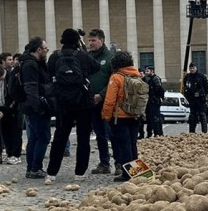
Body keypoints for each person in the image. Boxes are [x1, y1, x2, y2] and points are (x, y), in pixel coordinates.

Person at [46, 29, 99, 179]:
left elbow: (50, 75)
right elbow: (96, 67)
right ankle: (80, 173)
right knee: (83, 139)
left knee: (60, 137)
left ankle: (51, 172)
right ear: (77, 41)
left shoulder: (55, 56)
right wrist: (82, 49)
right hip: (83, 102)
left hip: (63, 103)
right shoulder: (82, 56)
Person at [102, 50, 142, 182]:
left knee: (124, 145)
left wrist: (106, 116)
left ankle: (127, 174)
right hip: (135, 115)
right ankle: (136, 172)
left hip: (120, 117)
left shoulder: (116, 77)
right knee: (132, 144)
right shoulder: (137, 76)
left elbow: (109, 100)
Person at [19, 37, 52, 179]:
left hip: (32, 106)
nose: (46, 51)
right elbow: (31, 87)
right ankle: (35, 168)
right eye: (45, 49)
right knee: (43, 137)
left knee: (34, 138)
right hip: (35, 107)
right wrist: (39, 107)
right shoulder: (31, 65)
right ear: (39, 50)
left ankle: (31, 168)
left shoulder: (30, 63)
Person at [86, 29, 114, 173]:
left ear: (101, 41)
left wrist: (101, 95)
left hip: (107, 101)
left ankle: (121, 164)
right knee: (100, 134)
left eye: (93, 40)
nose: (90, 43)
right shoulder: (87, 57)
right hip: (92, 102)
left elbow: (113, 80)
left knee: (113, 133)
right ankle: (104, 163)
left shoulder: (110, 57)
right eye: (89, 40)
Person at [182, 63, 208, 133]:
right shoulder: (187, 77)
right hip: (192, 100)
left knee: (202, 115)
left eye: (193, 68)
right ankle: (192, 132)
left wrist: (202, 95)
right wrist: (188, 97)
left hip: (200, 100)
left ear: (196, 68)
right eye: (190, 68)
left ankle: (204, 132)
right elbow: (185, 87)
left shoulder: (201, 76)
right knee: (192, 117)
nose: (192, 69)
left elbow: (206, 88)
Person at [142, 65, 165, 137]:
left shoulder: (156, 79)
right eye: (145, 71)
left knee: (156, 119)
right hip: (150, 102)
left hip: (155, 102)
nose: (146, 72)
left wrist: (158, 98)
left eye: (147, 71)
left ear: (152, 71)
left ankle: (158, 133)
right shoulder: (149, 79)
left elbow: (160, 90)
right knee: (150, 119)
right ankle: (150, 133)